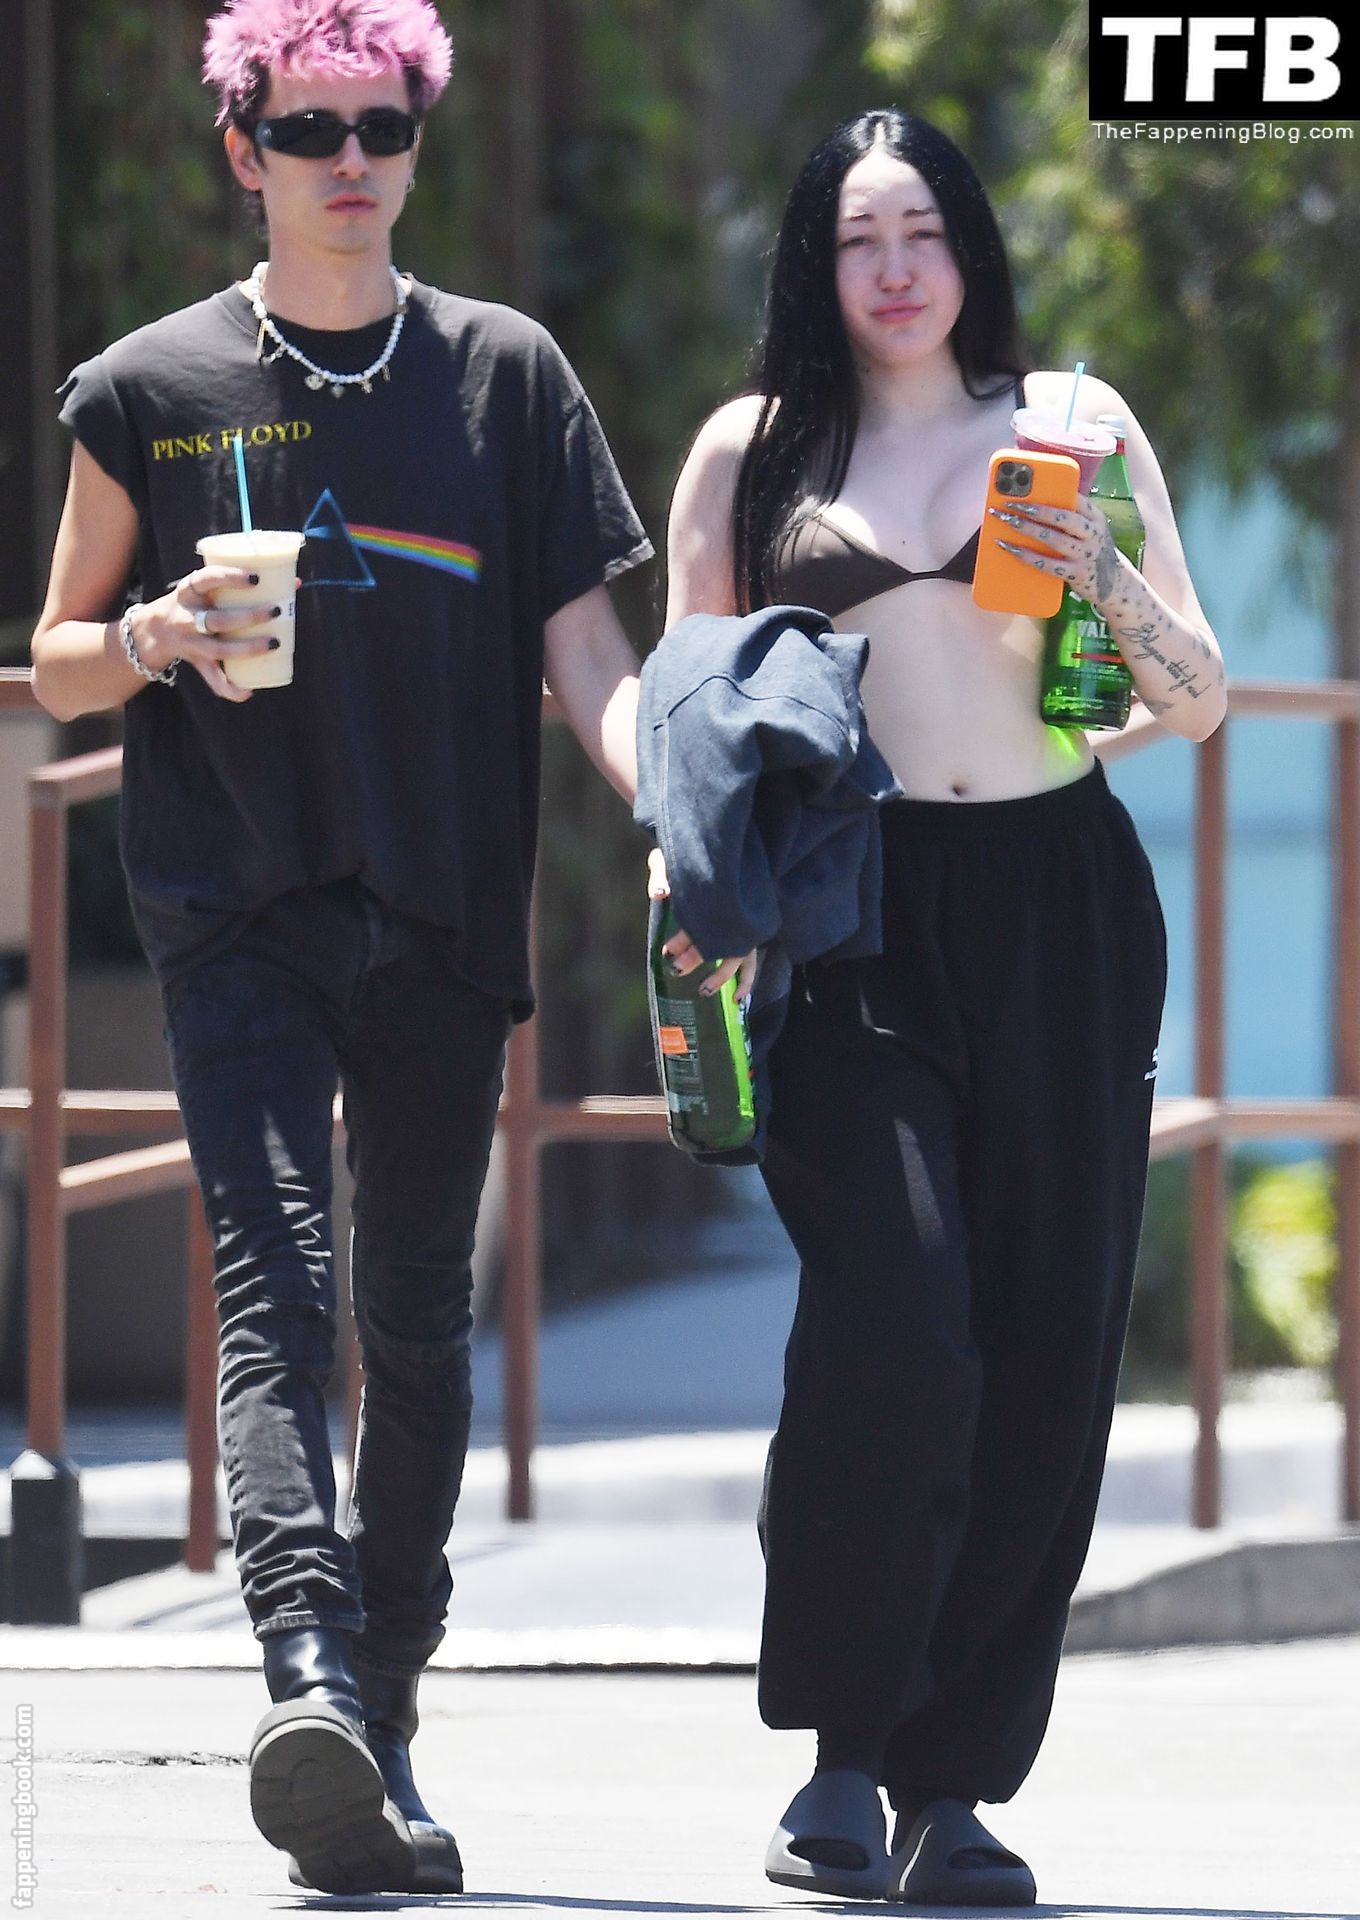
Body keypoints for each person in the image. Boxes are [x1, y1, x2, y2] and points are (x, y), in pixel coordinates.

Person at [30, 0, 651, 1895]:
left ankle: (381, 1709)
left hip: (444, 904)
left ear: (414, 141)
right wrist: (149, 637)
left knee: (416, 1318)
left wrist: (678, 814)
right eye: (309, 130)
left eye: (382, 127)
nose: (351, 162)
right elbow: (57, 661)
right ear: (247, 149)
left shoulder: (506, 375)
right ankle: (301, 1669)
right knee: (275, 1284)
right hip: (235, 900)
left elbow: (592, 658)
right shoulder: (151, 386)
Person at [658, 107, 1224, 1905]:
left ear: (970, 247)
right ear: (813, 263)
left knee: (1049, 1345)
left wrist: (1095, 571)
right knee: (896, 1319)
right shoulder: (756, 449)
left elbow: (1192, 697)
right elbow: (690, 715)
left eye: (921, 231)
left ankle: (955, 1788)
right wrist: (697, 911)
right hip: (852, 909)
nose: (894, 268)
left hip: (1060, 900)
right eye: (857, 237)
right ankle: (841, 1755)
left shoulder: (1073, 421)